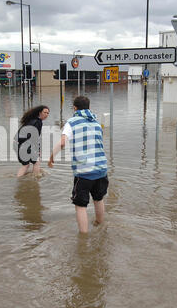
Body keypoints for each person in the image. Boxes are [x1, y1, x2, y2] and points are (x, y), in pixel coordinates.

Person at [48, 96, 108, 233]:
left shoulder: (71, 122)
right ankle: (100, 225)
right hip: (101, 169)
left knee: (80, 205)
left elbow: (62, 143)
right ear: (89, 107)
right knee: (98, 199)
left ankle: (83, 237)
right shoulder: (96, 123)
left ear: (74, 108)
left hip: (84, 171)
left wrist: (51, 157)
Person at [16, 105, 50, 177]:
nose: (46, 115)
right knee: (36, 162)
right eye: (45, 112)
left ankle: (18, 180)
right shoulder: (38, 122)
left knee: (25, 165)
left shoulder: (30, 120)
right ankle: (35, 181)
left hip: (21, 145)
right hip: (29, 145)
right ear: (39, 112)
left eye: (48, 113)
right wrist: (38, 149)